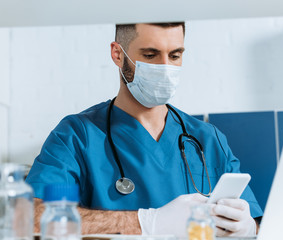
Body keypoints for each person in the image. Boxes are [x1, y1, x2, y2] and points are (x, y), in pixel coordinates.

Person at [26, 22, 263, 237]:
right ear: (117, 54)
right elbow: (32, 219)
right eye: (151, 55)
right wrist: (146, 222)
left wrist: (250, 228)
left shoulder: (207, 138)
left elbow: (258, 222)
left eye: (175, 55)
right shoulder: (76, 136)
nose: (165, 67)